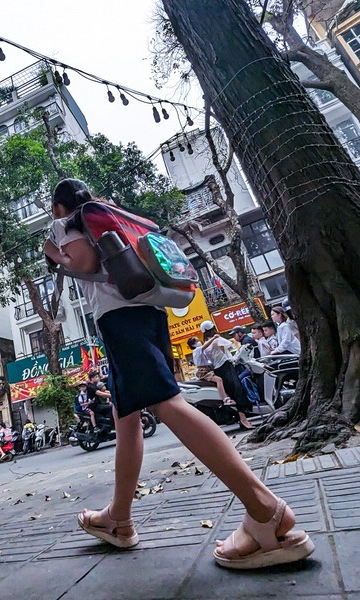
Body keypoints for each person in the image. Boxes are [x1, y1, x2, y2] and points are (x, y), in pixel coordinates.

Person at [44, 178, 313, 569]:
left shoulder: (66, 222)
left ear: (57, 207)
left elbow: (82, 263)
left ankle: (265, 510)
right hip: (151, 311)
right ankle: (118, 518)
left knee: (167, 404)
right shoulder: (112, 212)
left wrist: (53, 251)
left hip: (120, 320)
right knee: (127, 417)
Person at [200, 321, 254, 427]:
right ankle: (243, 419)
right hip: (226, 367)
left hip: (218, 369)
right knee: (238, 391)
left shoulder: (206, 344)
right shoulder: (217, 340)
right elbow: (230, 345)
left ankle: (240, 418)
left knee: (230, 394)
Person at [188, 336, 234, 406]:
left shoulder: (201, 351)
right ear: (193, 345)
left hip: (208, 369)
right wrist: (214, 338)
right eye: (197, 341)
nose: (199, 342)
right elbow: (205, 346)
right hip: (203, 371)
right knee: (219, 380)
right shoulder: (197, 350)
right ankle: (225, 399)